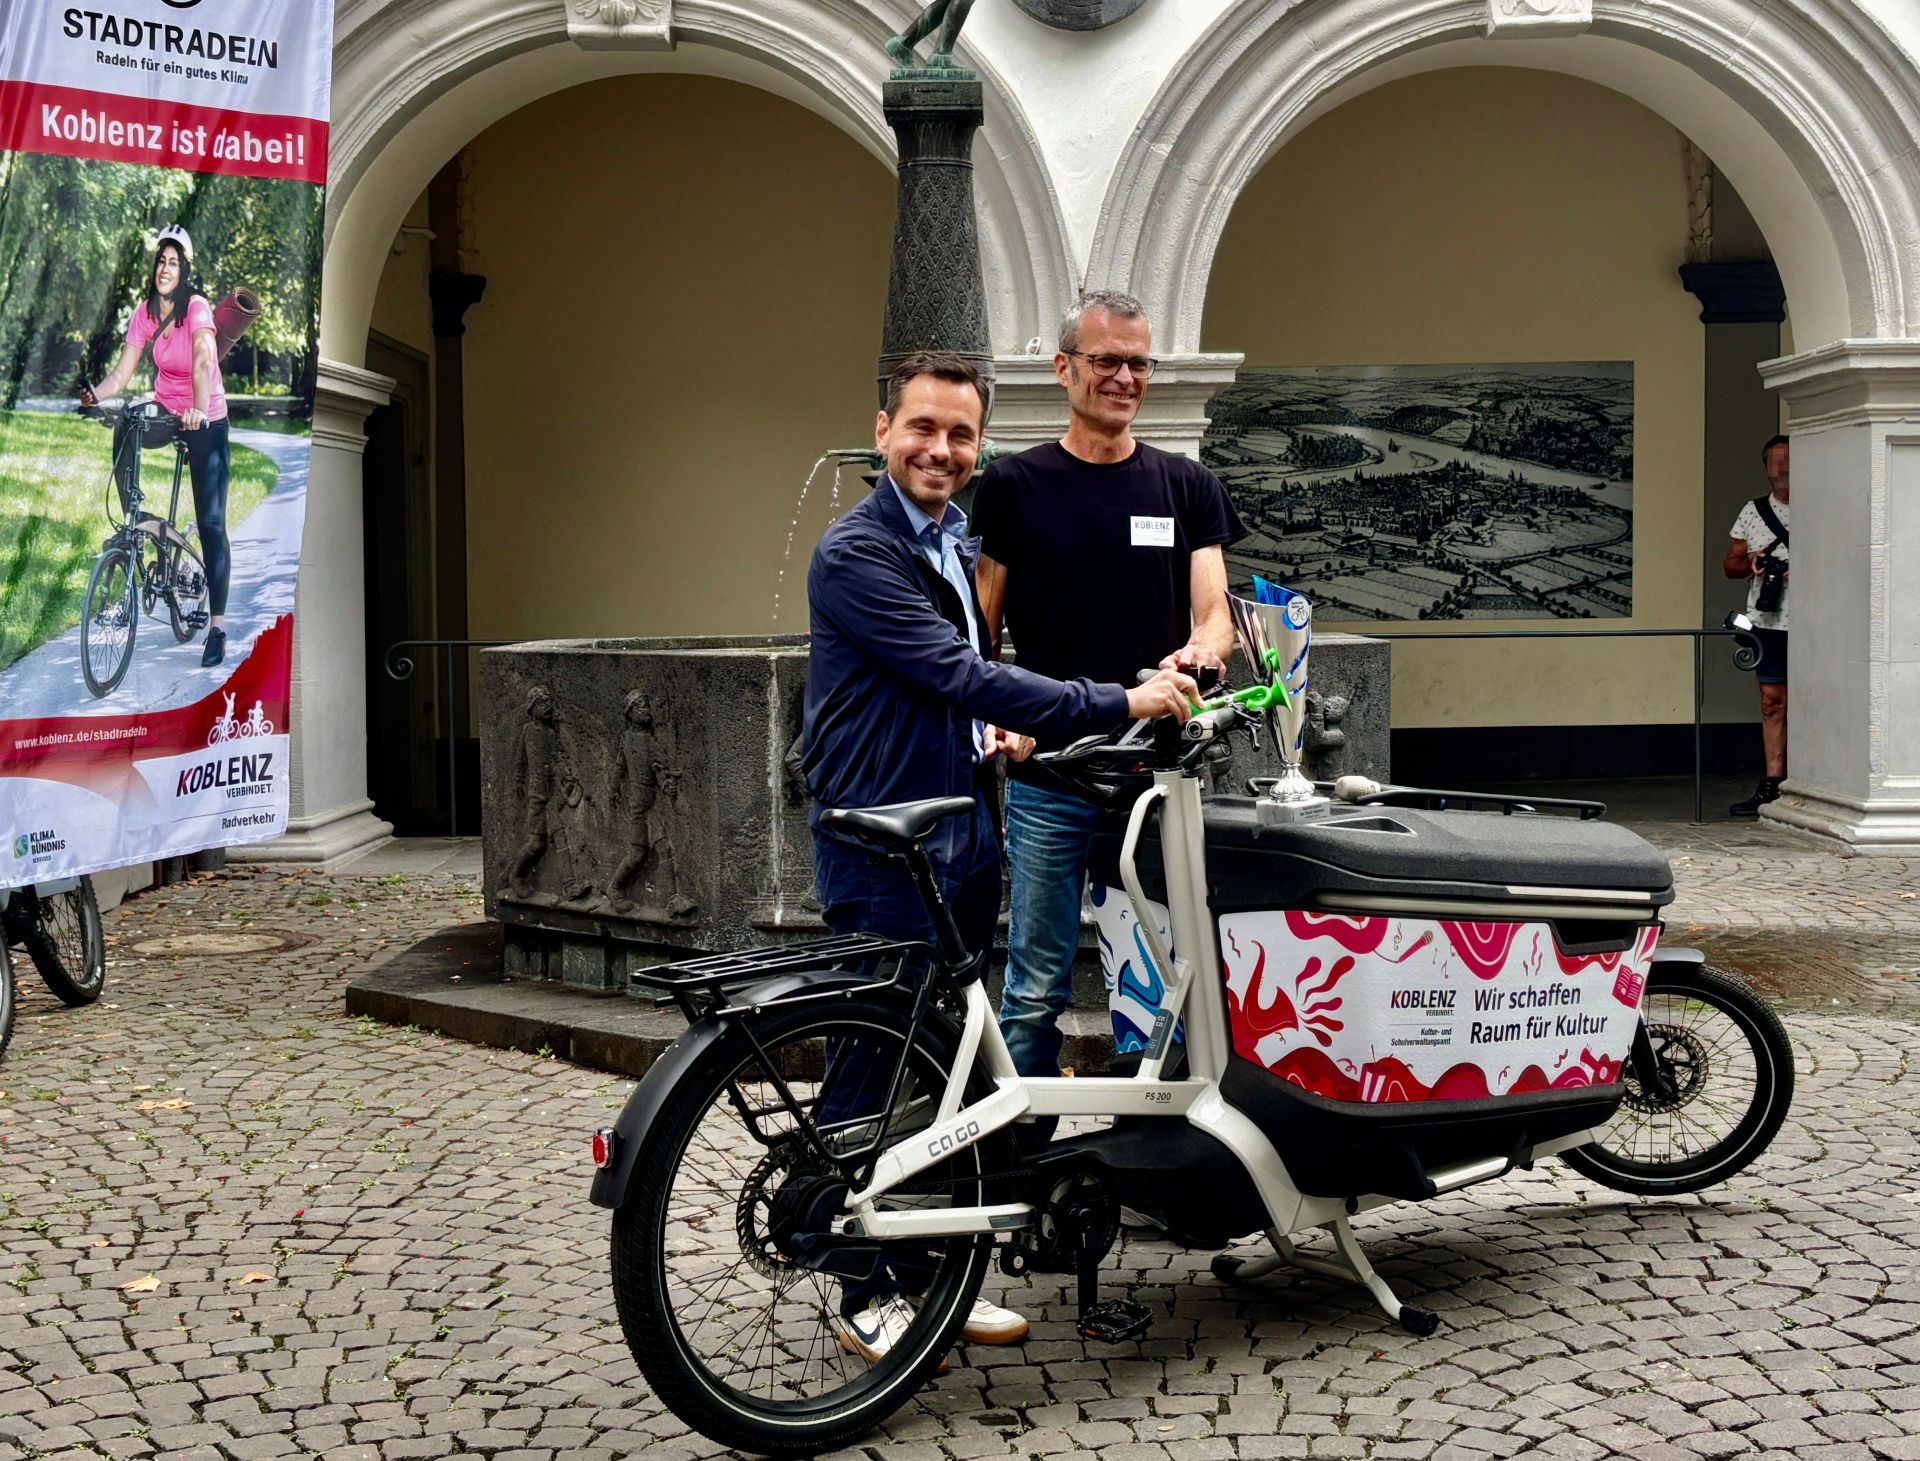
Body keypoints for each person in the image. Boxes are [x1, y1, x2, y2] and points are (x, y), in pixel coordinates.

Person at [802, 350, 1198, 1364]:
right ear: (883, 430)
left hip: (958, 834)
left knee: (946, 1071)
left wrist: (998, 734)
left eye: (961, 434)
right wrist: (1117, 700)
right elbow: (955, 671)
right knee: (872, 1060)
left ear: (978, 446)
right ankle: (857, 1282)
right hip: (886, 843)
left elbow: (952, 689)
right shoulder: (858, 552)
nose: (941, 449)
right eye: (922, 427)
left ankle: (934, 1267)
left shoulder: (947, 540)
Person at [971, 289, 1246, 1080]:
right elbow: (981, 631)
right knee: (1034, 986)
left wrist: (1196, 654)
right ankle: (1015, 1143)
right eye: (1107, 361)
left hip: (1159, 773)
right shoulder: (1014, 485)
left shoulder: (1185, 486)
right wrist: (996, 716)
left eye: (1139, 363)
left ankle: (1161, 1135)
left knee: (1172, 972)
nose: (1125, 377)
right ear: (1064, 368)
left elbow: (1215, 616)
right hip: (1050, 773)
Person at [80, 225, 234, 668]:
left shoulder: (197, 308)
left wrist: (199, 408)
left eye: (174, 263)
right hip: (168, 410)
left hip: (205, 416)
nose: (165, 269)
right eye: (161, 261)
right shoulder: (145, 312)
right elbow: (121, 373)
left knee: (210, 523)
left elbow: (203, 360)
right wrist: (95, 396)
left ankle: (217, 627)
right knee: (126, 424)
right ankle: (133, 520)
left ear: (184, 271)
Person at [1724, 434, 1790, 817]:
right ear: (1765, 467)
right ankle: (1773, 783)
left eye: (1789, 460)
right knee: (1771, 702)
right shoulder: (1753, 511)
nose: (1782, 468)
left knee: (1816, 700)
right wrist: (1751, 564)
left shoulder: (1821, 506)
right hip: (1767, 620)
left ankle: (1814, 780)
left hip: (1818, 622)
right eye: (1775, 461)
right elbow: (1730, 564)